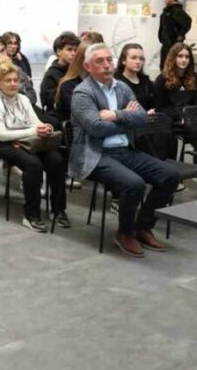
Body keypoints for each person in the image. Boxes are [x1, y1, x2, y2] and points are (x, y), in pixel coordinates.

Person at [69, 44, 179, 257]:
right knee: (134, 184)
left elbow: (143, 118)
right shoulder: (82, 92)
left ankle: (142, 227)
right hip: (96, 154)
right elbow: (96, 128)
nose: (107, 65)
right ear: (87, 66)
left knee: (170, 176)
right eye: (100, 61)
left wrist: (116, 115)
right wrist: (126, 119)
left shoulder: (121, 87)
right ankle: (124, 233)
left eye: (109, 60)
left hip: (125, 150)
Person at [0, 57, 69, 231]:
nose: (13, 84)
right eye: (8, 80)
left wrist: (44, 127)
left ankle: (58, 209)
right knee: (33, 164)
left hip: (26, 140)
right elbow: (1, 133)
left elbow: (35, 122)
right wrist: (32, 131)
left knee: (56, 160)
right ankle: (31, 215)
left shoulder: (22, 99)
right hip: (1, 142)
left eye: (16, 80)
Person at [154, 43, 197, 166]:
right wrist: (180, 117)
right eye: (180, 56)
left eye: (187, 57)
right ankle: (174, 170)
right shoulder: (162, 79)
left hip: (191, 120)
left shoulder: (195, 79)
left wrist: (190, 118)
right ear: (173, 58)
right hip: (172, 121)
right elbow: (160, 108)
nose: (184, 60)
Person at [116, 43, 167, 159]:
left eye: (141, 59)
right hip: (130, 126)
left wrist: (153, 112)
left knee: (166, 130)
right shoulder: (117, 83)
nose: (138, 62)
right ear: (123, 61)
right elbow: (118, 109)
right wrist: (143, 115)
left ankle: (164, 166)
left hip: (149, 123)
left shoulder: (146, 82)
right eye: (134, 58)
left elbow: (156, 105)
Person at [0, 36, 39, 105]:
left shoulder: (17, 69)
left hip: (24, 109)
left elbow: (32, 95)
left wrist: (23, 103)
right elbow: (0, 100)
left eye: (2, 50)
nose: (0, 55)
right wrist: (21, 90)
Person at [41, 32, 80, 113]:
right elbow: (51, 102)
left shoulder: (77, 71)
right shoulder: (51, 74)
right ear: (59, 51)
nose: (73, 53)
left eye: (75, 50)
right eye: (69, 49)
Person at [158, 0, 191, 70]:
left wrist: (180, 35)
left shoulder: (177, 10)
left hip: (173, 45)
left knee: (171, 67)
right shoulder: (167, 11)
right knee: (164, 66)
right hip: (166, 44)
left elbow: (188, 21)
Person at [54, 43, 88, 123]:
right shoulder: (68, 85)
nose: (106, 65)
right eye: (99, 60)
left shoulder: (108, 83)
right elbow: (85, 116)